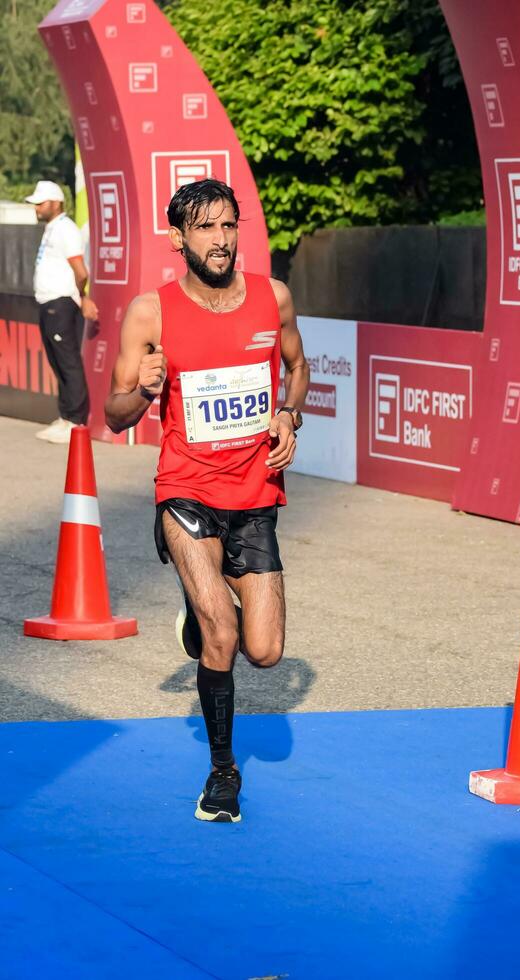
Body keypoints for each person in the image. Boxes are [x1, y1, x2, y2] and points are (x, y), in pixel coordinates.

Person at [105, 179, 310, 822]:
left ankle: (197, 616)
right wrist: (142, 390)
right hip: (186, 489)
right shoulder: (152, 312)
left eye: (228, 226)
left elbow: (299, 369)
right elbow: (112, 413)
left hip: (254, 493)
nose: (220, 240)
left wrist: (287, 414)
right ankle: (223, 773)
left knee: (267, 650)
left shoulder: (272, 298)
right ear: (179, 239)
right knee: (224, 631)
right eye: (205, 229)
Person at [26, 180, 99, 444]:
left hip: (62, 304)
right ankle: (66, 416)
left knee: (68, 362)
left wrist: (82, 297)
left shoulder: (65, 229)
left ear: (56, 203)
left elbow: (80, 271)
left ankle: (76, 421)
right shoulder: (52, 229)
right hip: (48, 304)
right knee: (57, 362)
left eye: (40, 203)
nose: (36, 208)